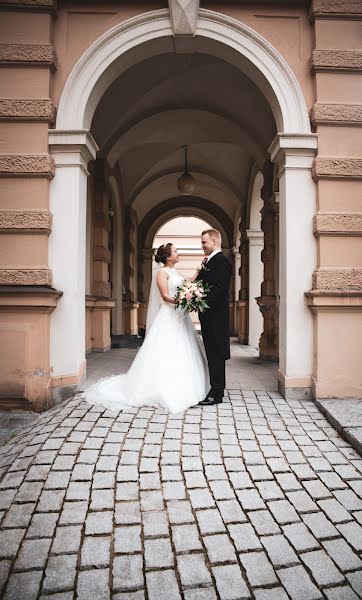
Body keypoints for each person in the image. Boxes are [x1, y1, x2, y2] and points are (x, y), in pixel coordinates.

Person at [83, 243, 209, 414]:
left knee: (183, 350)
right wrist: (184, 301)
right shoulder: (162, 273)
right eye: (176, 251)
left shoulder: (175, 272)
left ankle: (184, 385)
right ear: (168, 256)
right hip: (168, 317)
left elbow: (187, 284)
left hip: (180, 317)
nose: (178, 253)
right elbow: (165, 296)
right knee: (166, 351)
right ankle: (159, 388)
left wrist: (199, 271)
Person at [194, 228, 232, 406]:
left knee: (216, 353)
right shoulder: (209, 261)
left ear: (214, 241)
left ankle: (217, 392)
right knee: (211, 353)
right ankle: (214, 388)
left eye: (204, 242)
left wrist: (201, 299)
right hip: (208, 316)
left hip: (216, 317)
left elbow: (221, 289)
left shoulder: (221, 261)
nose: (202, 245)